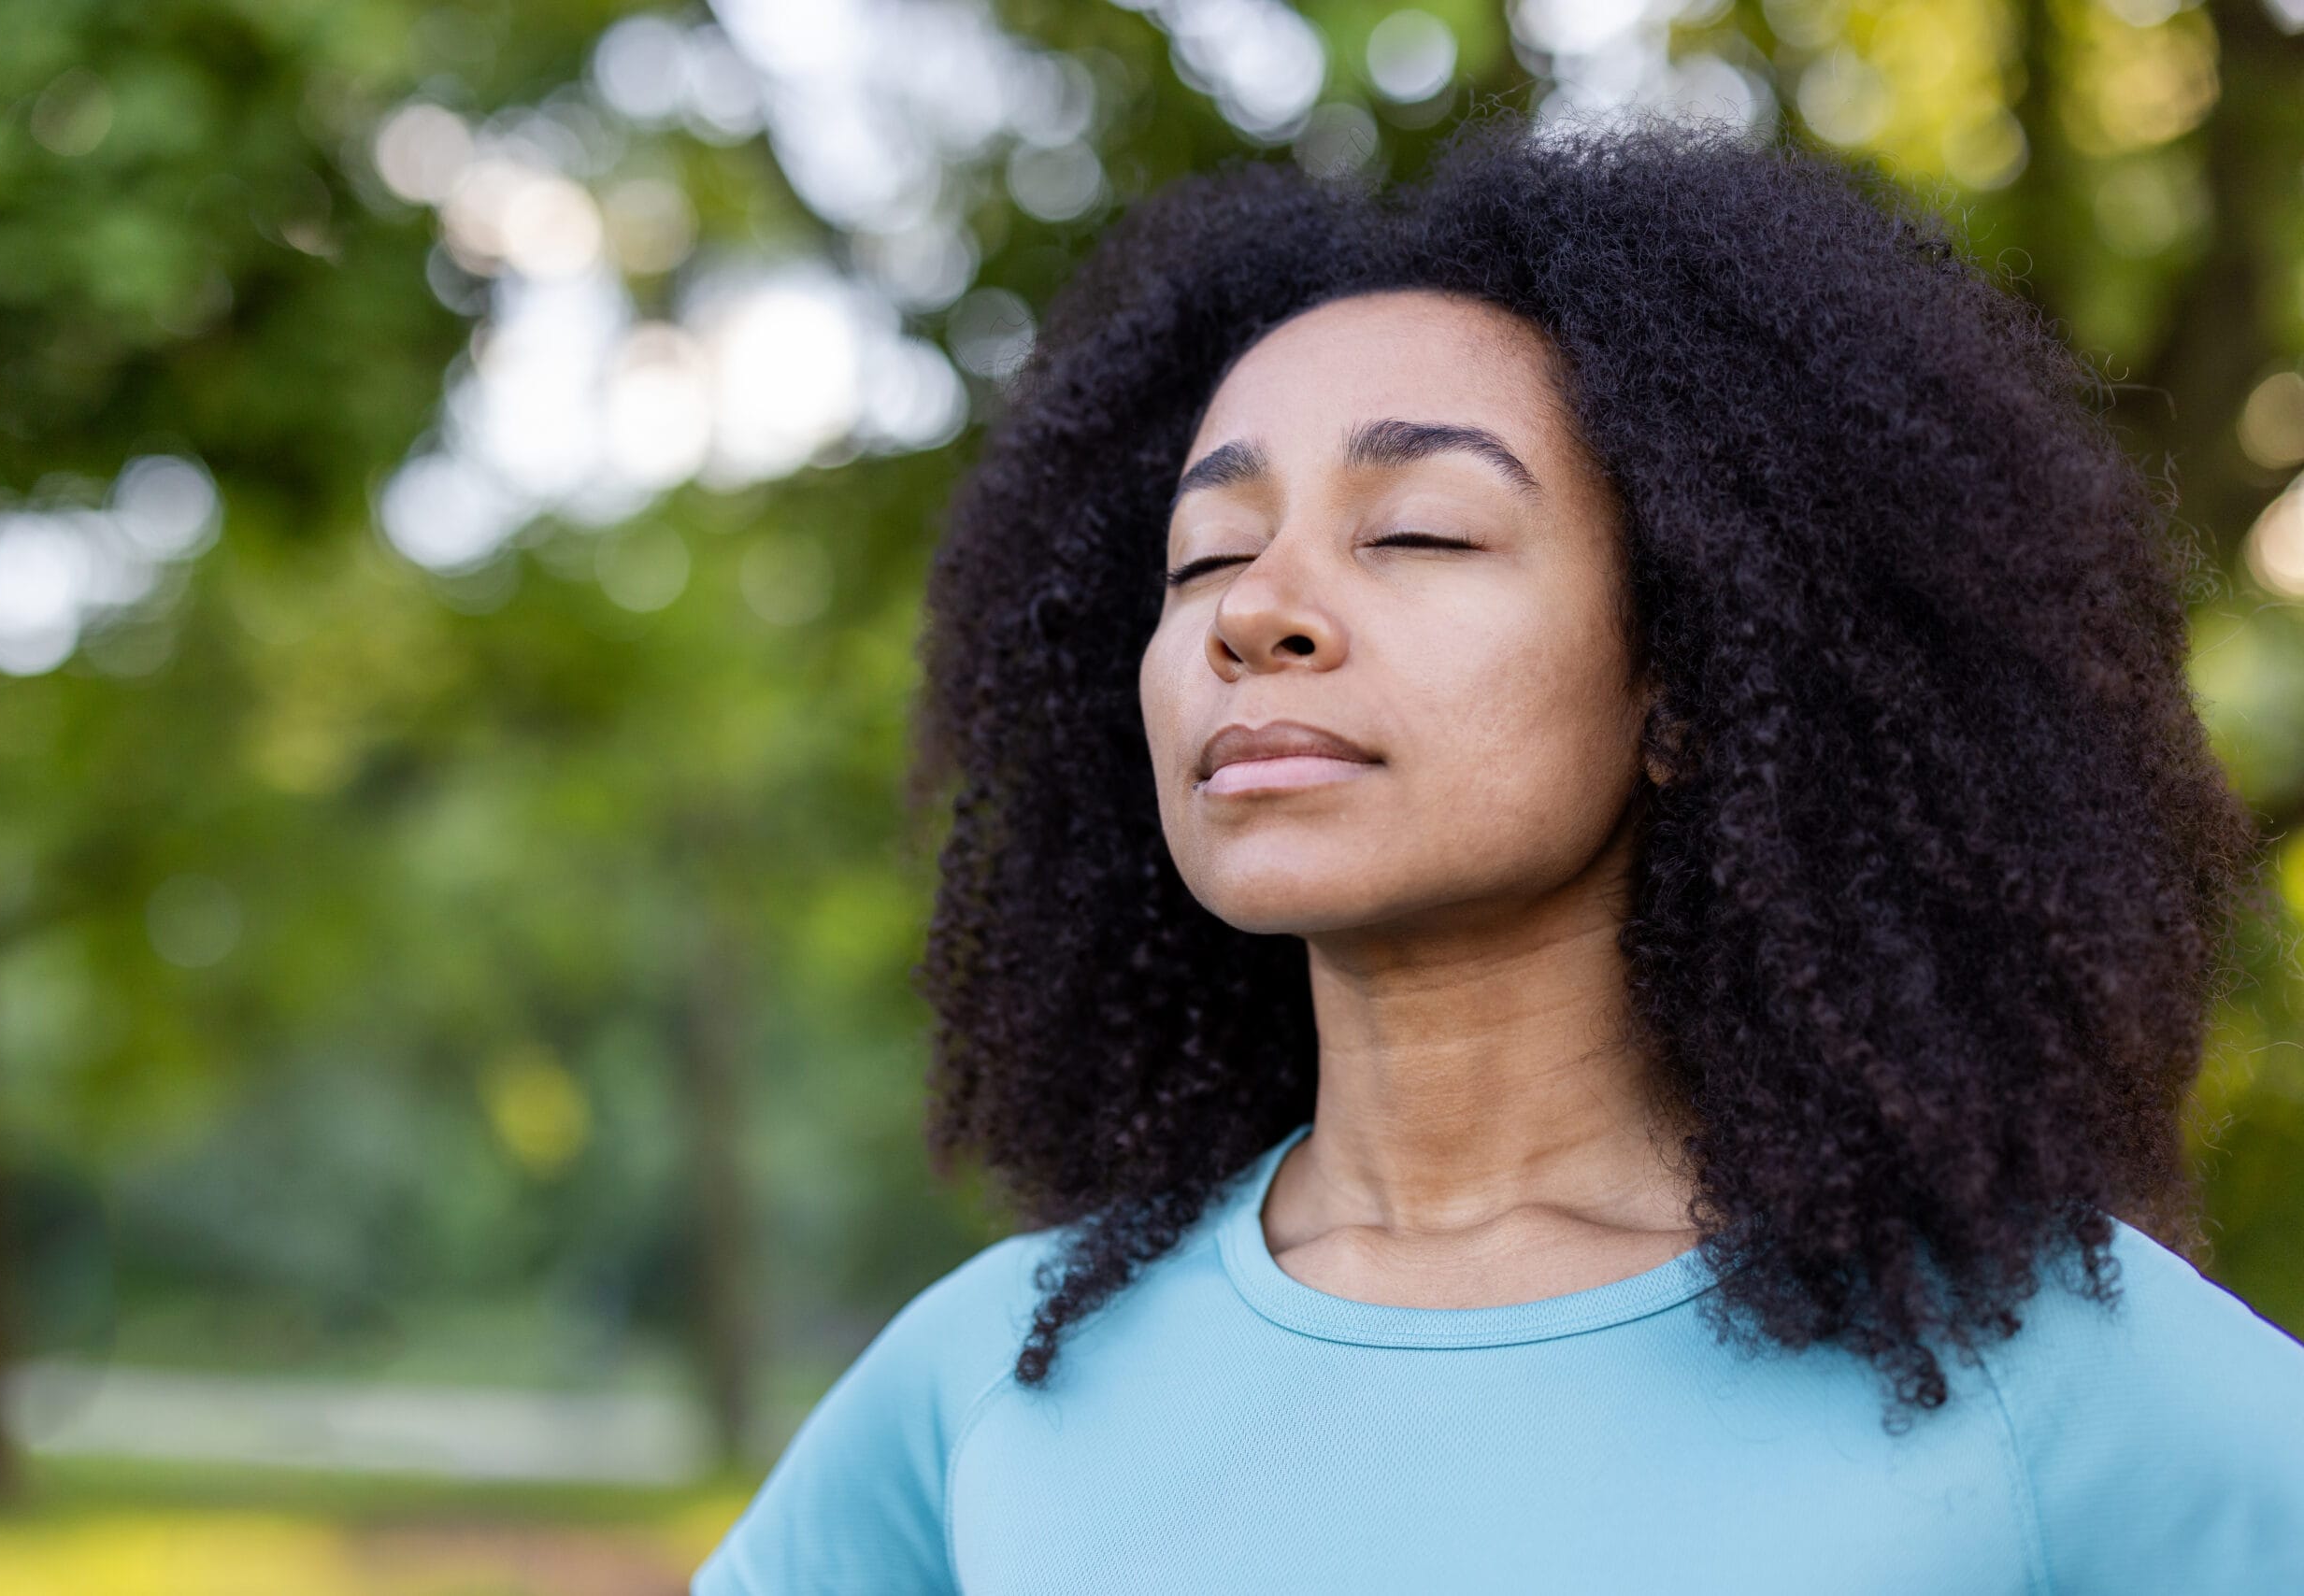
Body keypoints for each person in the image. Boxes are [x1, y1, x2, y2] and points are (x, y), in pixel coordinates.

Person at [691, 107, 2304, 1593]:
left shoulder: (2050, 1371)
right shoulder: (987, 1379)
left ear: (1695, 678)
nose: (1258, 611)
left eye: (1419, 533)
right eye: (1205, 556)